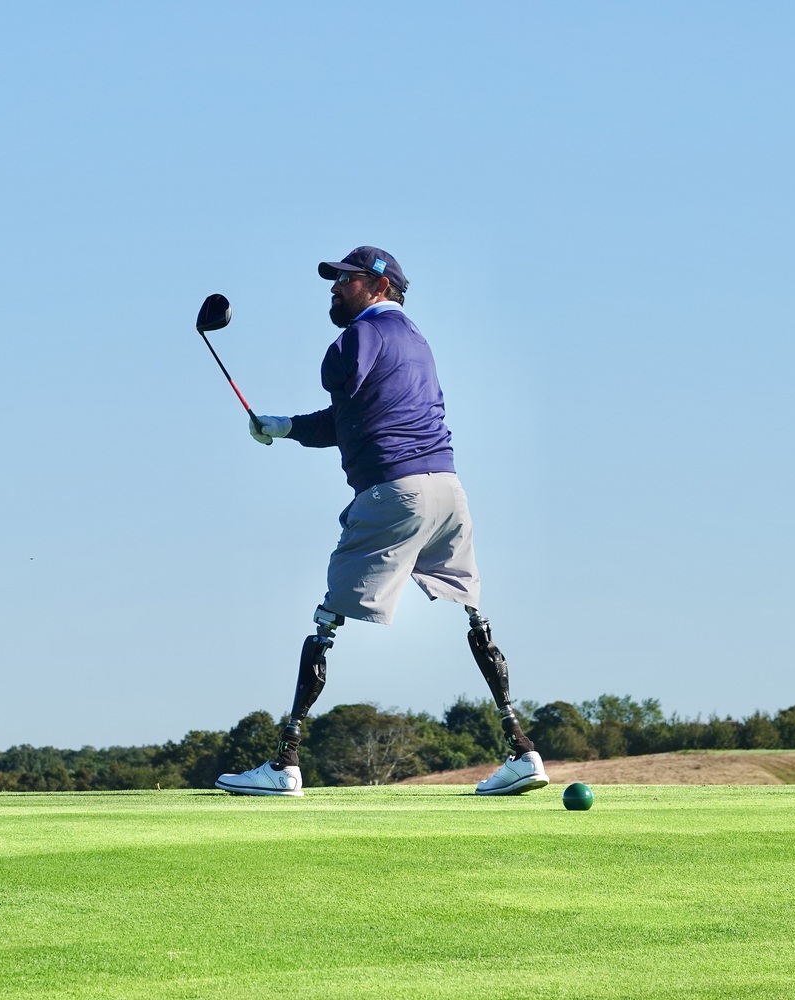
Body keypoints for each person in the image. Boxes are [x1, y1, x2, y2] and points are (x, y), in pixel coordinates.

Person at [214, 246, 547, 798]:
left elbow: (338, 372)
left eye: (344, 280)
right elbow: (348, 417)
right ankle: (522, 749)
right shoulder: (416, 339)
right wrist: (282, 426)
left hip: (395, 492)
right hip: (447, 491)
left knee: (327, 616)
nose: (334, 289)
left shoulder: (363, 333)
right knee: (472, 611)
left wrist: (340, 353)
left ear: (377, 284)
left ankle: (285, 763)